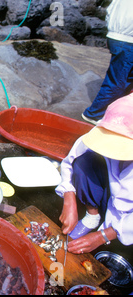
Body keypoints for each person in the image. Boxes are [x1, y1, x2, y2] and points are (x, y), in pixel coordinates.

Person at [57, 93, 133, 255]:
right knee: (84, 162)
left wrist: (104, 235)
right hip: (110, 193)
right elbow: (71, 160)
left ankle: (116, 231)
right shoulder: (111, 123)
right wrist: (69, 197)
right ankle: (93, 215)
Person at [82, 0, 133, 125]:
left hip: (117, 37)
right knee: (118, 82)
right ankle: (93, 114)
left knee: (125, 80)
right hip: (126, 40)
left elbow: (109, 11)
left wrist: (110, 34)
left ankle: (114, 114)